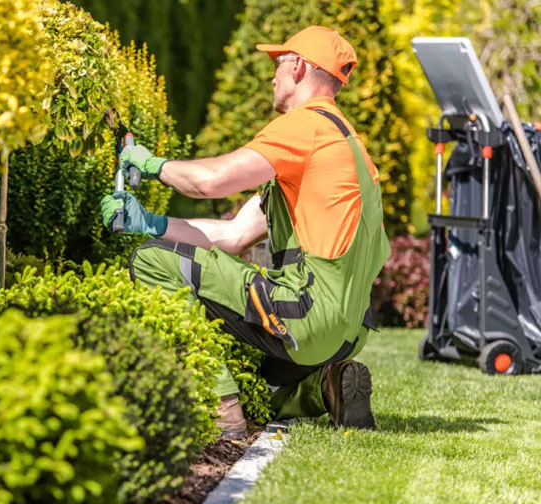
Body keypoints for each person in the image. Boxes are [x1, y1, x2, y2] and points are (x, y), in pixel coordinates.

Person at [100, 26, 390, 437]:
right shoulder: (347, 146)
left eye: (278, 64)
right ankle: (323, 387)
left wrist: (152, 165)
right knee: (254, 375)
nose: (272, 76)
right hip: (345, 332)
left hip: (306, 315)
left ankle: (219, 409)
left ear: (299, 67)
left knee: (150, 261)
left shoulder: (305, 126)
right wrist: (149, 223)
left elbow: (211, 182)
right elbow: (234, 235)